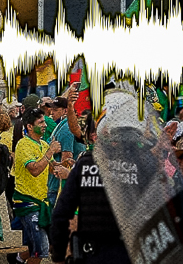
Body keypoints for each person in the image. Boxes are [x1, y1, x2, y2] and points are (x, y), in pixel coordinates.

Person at [50, 109, 131, 264]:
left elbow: (61, 213)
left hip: (93, 252)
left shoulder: (85, 164)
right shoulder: (138, 164)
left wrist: (59, 254)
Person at [13, 108, 62, 264]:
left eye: (44, 121)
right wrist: (50, 152)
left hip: (41, 202)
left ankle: (18, 259)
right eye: (40, 122)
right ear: (29, 126)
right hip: (28, 202)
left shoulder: (42, 143)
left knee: (39, 246)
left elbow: (52, 167)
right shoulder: (23, 144)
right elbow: (34, 170)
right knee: (40, 250)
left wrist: (66, 165)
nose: (44, 125)